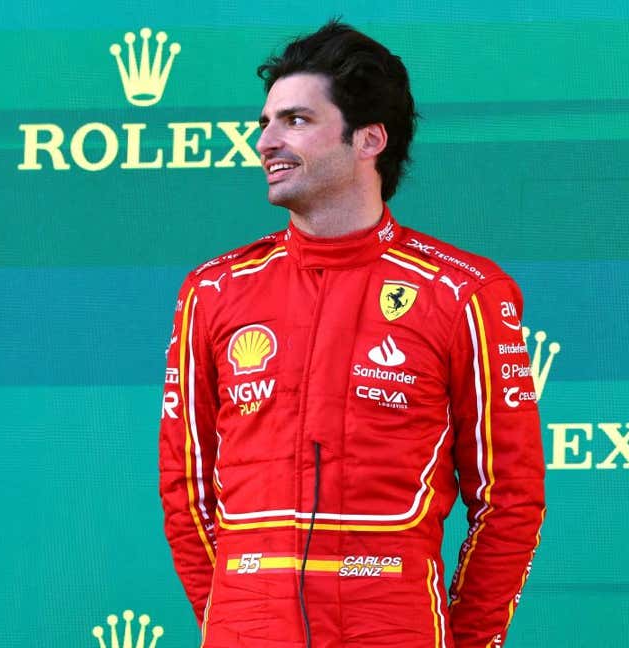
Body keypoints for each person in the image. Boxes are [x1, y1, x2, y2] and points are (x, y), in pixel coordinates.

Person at [159, 20, 545, 648]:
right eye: (265, 123)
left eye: (296, 121)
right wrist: (238, 616)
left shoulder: (465, 292)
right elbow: (186, 488)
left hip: (393, 627)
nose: (267, 141)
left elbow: (510, 499)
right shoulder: (213, 291)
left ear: (369, 139)